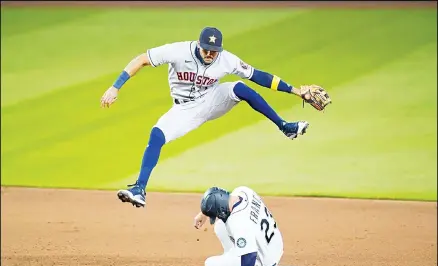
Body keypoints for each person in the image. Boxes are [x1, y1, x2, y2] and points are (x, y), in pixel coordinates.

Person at [100, 26, 330, 208]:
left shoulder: (226, 59)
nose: (210, 54)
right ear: (198, 45)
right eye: (206, 50)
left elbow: (258, 76)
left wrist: (295, 91)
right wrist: (115, 87)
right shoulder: (178, 50)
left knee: (239, 87)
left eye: (214, 51)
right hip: (184, 110)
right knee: (157, 134)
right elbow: (141, 59)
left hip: (212, 100)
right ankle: (139, 189)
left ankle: (285, 126)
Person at [193, 186, 305, 266]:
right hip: (274, 244)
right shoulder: (244, 191)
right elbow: (221, 202)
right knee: (220, 225)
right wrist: (205, 213)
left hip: (263, 260)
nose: (217, 216)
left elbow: (250, 255)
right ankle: (235, 258)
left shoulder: (238, 222)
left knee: (210, 265)